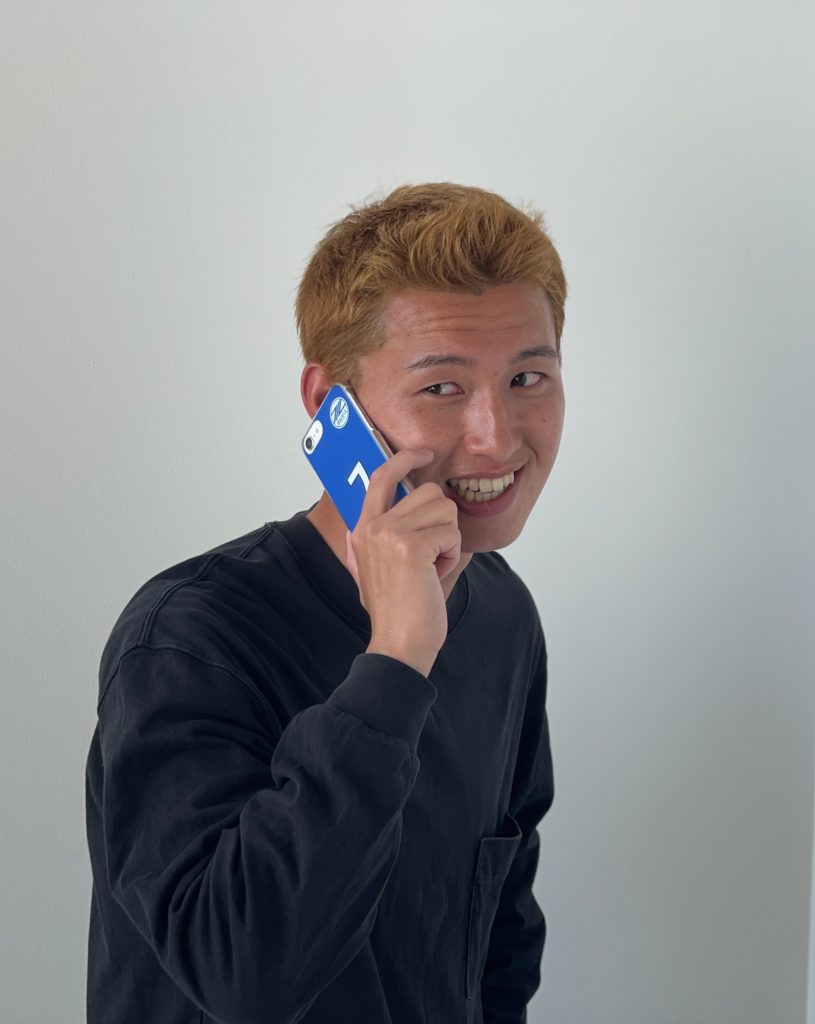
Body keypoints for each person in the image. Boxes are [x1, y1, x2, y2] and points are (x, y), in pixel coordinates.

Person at [85, 183, 566, 1023]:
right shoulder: (186, 640)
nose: (496, 435)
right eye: (442, 388)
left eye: (527, 377)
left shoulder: (503, 616)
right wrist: (396, 660)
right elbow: (243, 975)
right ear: (327, 405)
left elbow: (500, 937)